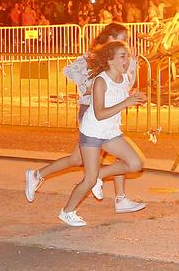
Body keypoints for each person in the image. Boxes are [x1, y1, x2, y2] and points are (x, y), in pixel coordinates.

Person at [24, 23, 145, 213]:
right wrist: (90, 85)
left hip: (109, 117)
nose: (125, 43)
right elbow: (72, 72)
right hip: (92, 114)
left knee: (77, 159)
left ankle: (37, 175)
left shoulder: (118, 57)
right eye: (121, 38)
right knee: (113, 157)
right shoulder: (93, 58)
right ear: (110, 39)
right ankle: (106, 198)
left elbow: (125, 83)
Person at [58, 40, 147, 227]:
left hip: (110, 131)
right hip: (92, 132)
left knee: (136, 163)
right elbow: (99, 113)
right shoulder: (100, 81)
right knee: (89, 179)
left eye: (128, 56)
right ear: (110, 60)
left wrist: (138, 99)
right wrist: (127, 102)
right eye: (123, 56)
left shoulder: (123, 78)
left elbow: (121, 97)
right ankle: (67, 212)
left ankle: (100, 175)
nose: (127, 60)